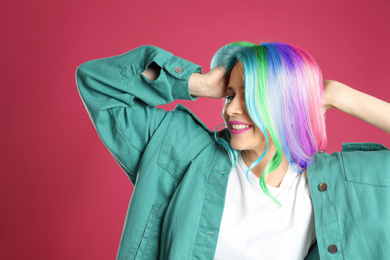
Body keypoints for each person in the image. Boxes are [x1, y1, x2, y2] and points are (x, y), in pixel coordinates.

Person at [75, 42, 390, 260]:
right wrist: (197, 84)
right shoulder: (184, 151)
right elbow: (98, 84)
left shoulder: (340, 182)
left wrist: (338, 94)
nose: (232, 109)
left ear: (287, 105)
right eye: (229, 95)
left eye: (250, 97)